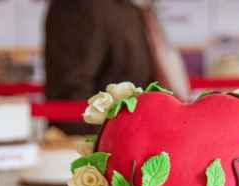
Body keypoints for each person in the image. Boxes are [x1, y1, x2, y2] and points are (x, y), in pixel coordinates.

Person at [43, 0, 188, 134]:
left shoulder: (135, 9)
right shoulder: (81, 5)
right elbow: (71, 100)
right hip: (101, 147)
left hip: (144, 140)